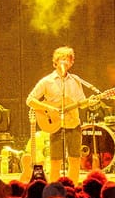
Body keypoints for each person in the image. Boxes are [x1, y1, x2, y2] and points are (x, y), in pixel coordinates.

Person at [25, 47, 93, 181]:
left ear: (71, 63)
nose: (65, 62)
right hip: (55, 126)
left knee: (74, 160)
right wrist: (48, 108)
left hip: (73, 124)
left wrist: (90, 102)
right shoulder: (46, 81)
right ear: (55, 63)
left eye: (67, 59)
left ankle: (72, 189)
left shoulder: (75, 80)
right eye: (61, 59)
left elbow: (82, 102)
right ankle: (54, 189)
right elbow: (30, 100)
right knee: (55, 162)